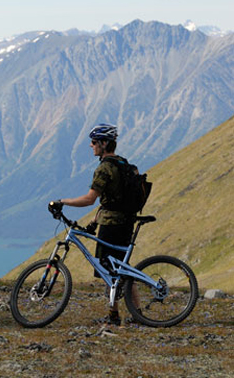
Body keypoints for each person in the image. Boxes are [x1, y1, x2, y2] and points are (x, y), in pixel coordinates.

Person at [53, 123, 140, 326]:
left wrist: (63, 201)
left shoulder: (104, 168)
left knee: (109, 270)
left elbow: (90, 199)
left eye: (93, 142)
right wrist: (94, 221)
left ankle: (116, 316)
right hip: (126, 222)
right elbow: (111, 200)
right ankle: (133, 314)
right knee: (120, 269)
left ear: (103, 143)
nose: (91, 146)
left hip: (111, 225)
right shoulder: (123, 164)